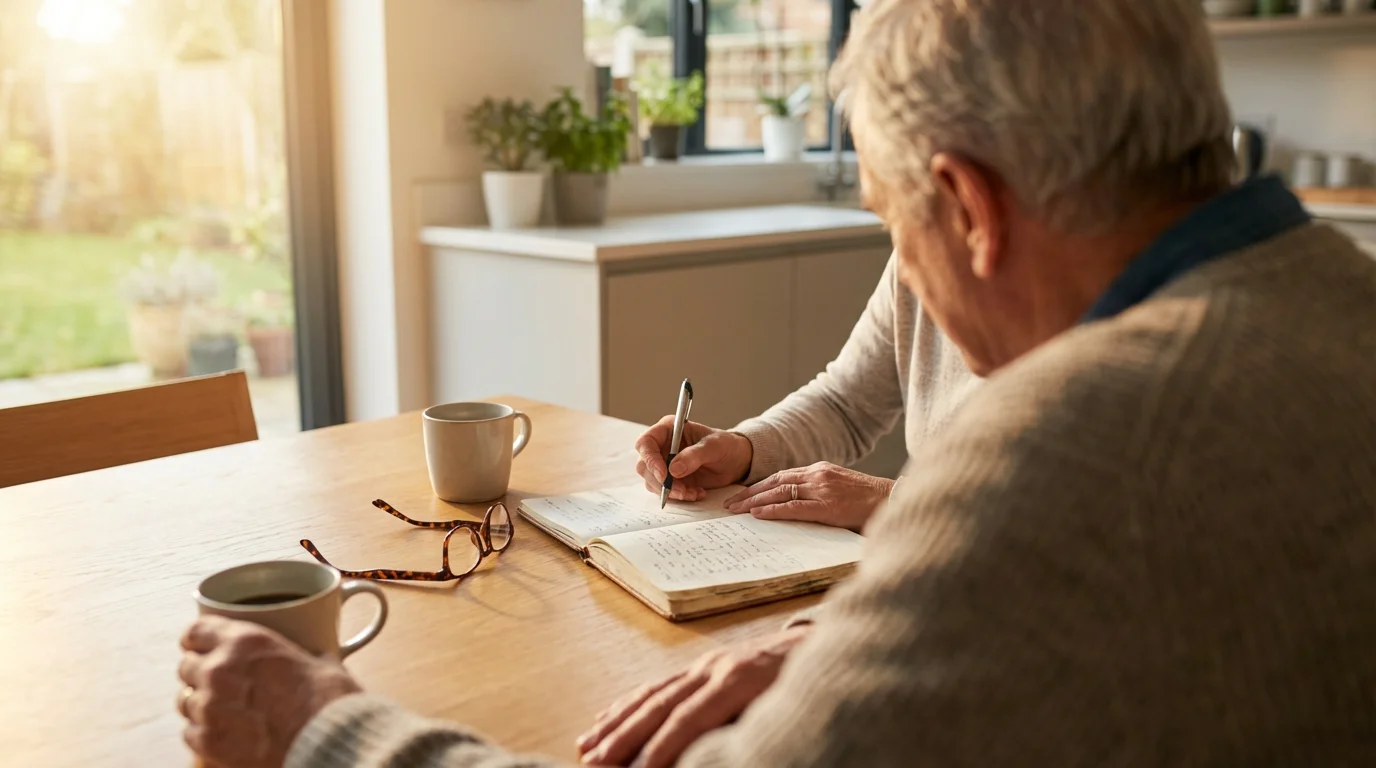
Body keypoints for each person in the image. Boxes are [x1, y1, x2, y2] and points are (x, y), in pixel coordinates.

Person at [176, 1, 1376, 766]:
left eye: (892, 219)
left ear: (967, 209)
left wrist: (321, 728)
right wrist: (847, 638)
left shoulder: (1056, 451)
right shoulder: (1335, 295)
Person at [633, 255, 980, 531]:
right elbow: (844, 404)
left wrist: (891, 500)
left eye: (894, 217)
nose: (899, 266)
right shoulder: (912, 257)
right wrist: (744, 449)